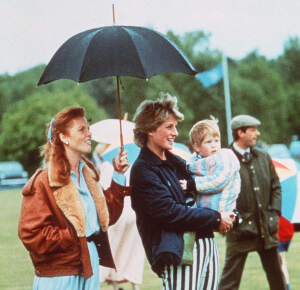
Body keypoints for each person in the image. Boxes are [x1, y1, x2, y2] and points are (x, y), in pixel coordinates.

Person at [18, 106, 131, 290]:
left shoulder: (89, 177)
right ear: (64, 138)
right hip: (59, 273)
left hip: (89, 263)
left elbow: (106, 216)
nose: (89, 134)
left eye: (88, 128)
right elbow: (31, 234)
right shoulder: (43, 181)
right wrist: (74, 233)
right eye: (82, 129)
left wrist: (118, 174)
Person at [130, 93, 234, 290]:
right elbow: (170, 213)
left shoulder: (177, 163)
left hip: (206, 244)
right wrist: (216, 218)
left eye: (175, 126)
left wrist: (227, 212)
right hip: (177, 252)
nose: (175, 133)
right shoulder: (143, 169)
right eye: (169, 127)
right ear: (150, 130)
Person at [219, 115, 286, 290]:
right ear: (240, 133)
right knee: (229, 283)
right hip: (239, 231)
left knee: (277, 279)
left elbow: (275, 186)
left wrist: (274, 212)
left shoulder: (263, 156)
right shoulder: (224, 158)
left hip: (266, 229)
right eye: (253, 130)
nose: (257, 133)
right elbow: (219, 193)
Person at [93, 144, 145, 290]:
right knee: (134, 251)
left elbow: (104, 192)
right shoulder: (135, 165)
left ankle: (115, 285)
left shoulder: (106, 166)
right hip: (133, 214)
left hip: (117, 214)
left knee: (115, 250)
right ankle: (135, 285)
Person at [185, 116, 241, 213]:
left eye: (216, 140)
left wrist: (193, 184)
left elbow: (219, 180)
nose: (214, 145)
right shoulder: (193, 163)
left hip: (223, 211)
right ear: (197, 147)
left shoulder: (225, 157)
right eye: (208, 142)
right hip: (203, 214)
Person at [278, 215, 295, 290]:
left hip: (281, 238)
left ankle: (286, 286)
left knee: (281, 264)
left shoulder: (278, 212)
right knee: (282, 262)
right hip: (288, 237)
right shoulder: (288, 212)